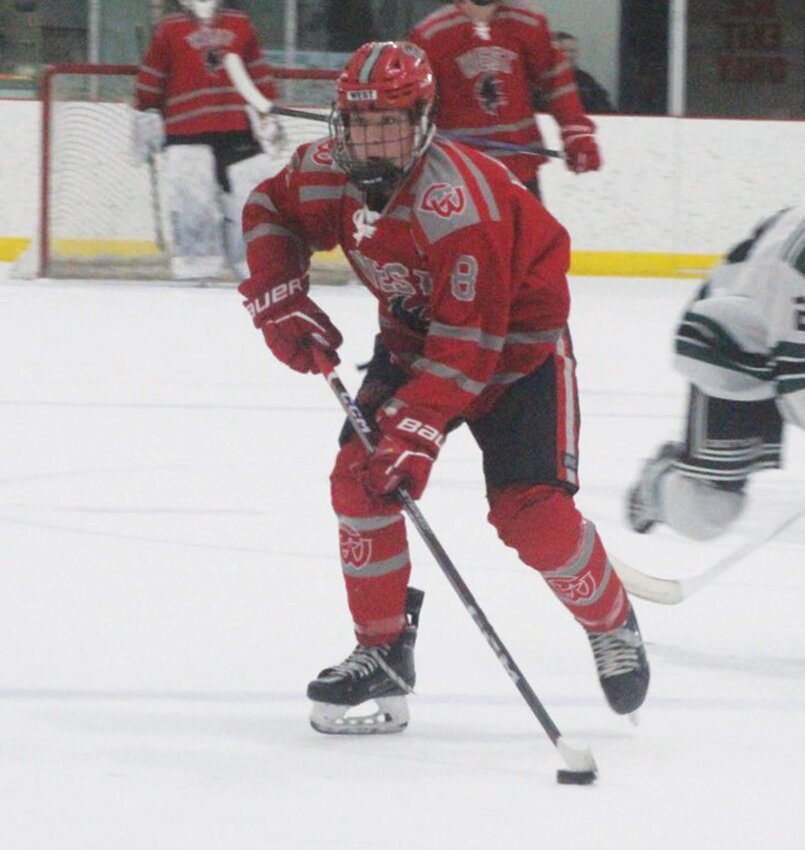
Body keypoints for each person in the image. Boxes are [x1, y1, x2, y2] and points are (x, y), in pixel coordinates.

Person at [238, 41, 649, 735]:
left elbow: (471, 346)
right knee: (357, 481)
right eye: (357, 121)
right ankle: (382, 650)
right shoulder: (324, 172)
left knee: (529, 516)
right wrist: (280, 295)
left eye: (388, 122)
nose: (370, 139)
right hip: (415, 345)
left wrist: (414, 434)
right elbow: (267, 208)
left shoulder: (458, 206)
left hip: (517, 356)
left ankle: (611, 621)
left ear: (424, 119)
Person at [627, 204, 805, 540]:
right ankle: (658, 485)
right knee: (705, 510)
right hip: (736, 341)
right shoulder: (799, 263)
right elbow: (797, 387)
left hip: (782, 328)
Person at [132, 0, 278, 280]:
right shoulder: (169, 28)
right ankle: (196, 265)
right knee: (192, 200)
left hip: (237, 127)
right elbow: (152, 77)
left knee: (250, 197)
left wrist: (266, 111)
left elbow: (258, 73)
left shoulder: (240, 23)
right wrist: (145, 111)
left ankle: (253, 264)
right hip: (185, 130)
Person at [408, 0, 601, 199]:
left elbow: (556, 81)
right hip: (459, 174)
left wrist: (576, 132)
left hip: (520, 171)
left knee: (537, 231)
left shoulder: (528, 22)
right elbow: (414, 101)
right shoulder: (431, 34)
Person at [554, 32, 615, 114]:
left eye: (573, 51)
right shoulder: (538, 81)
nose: (569, 55)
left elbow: (606, 109)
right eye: (564, 50)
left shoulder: (586, 80)